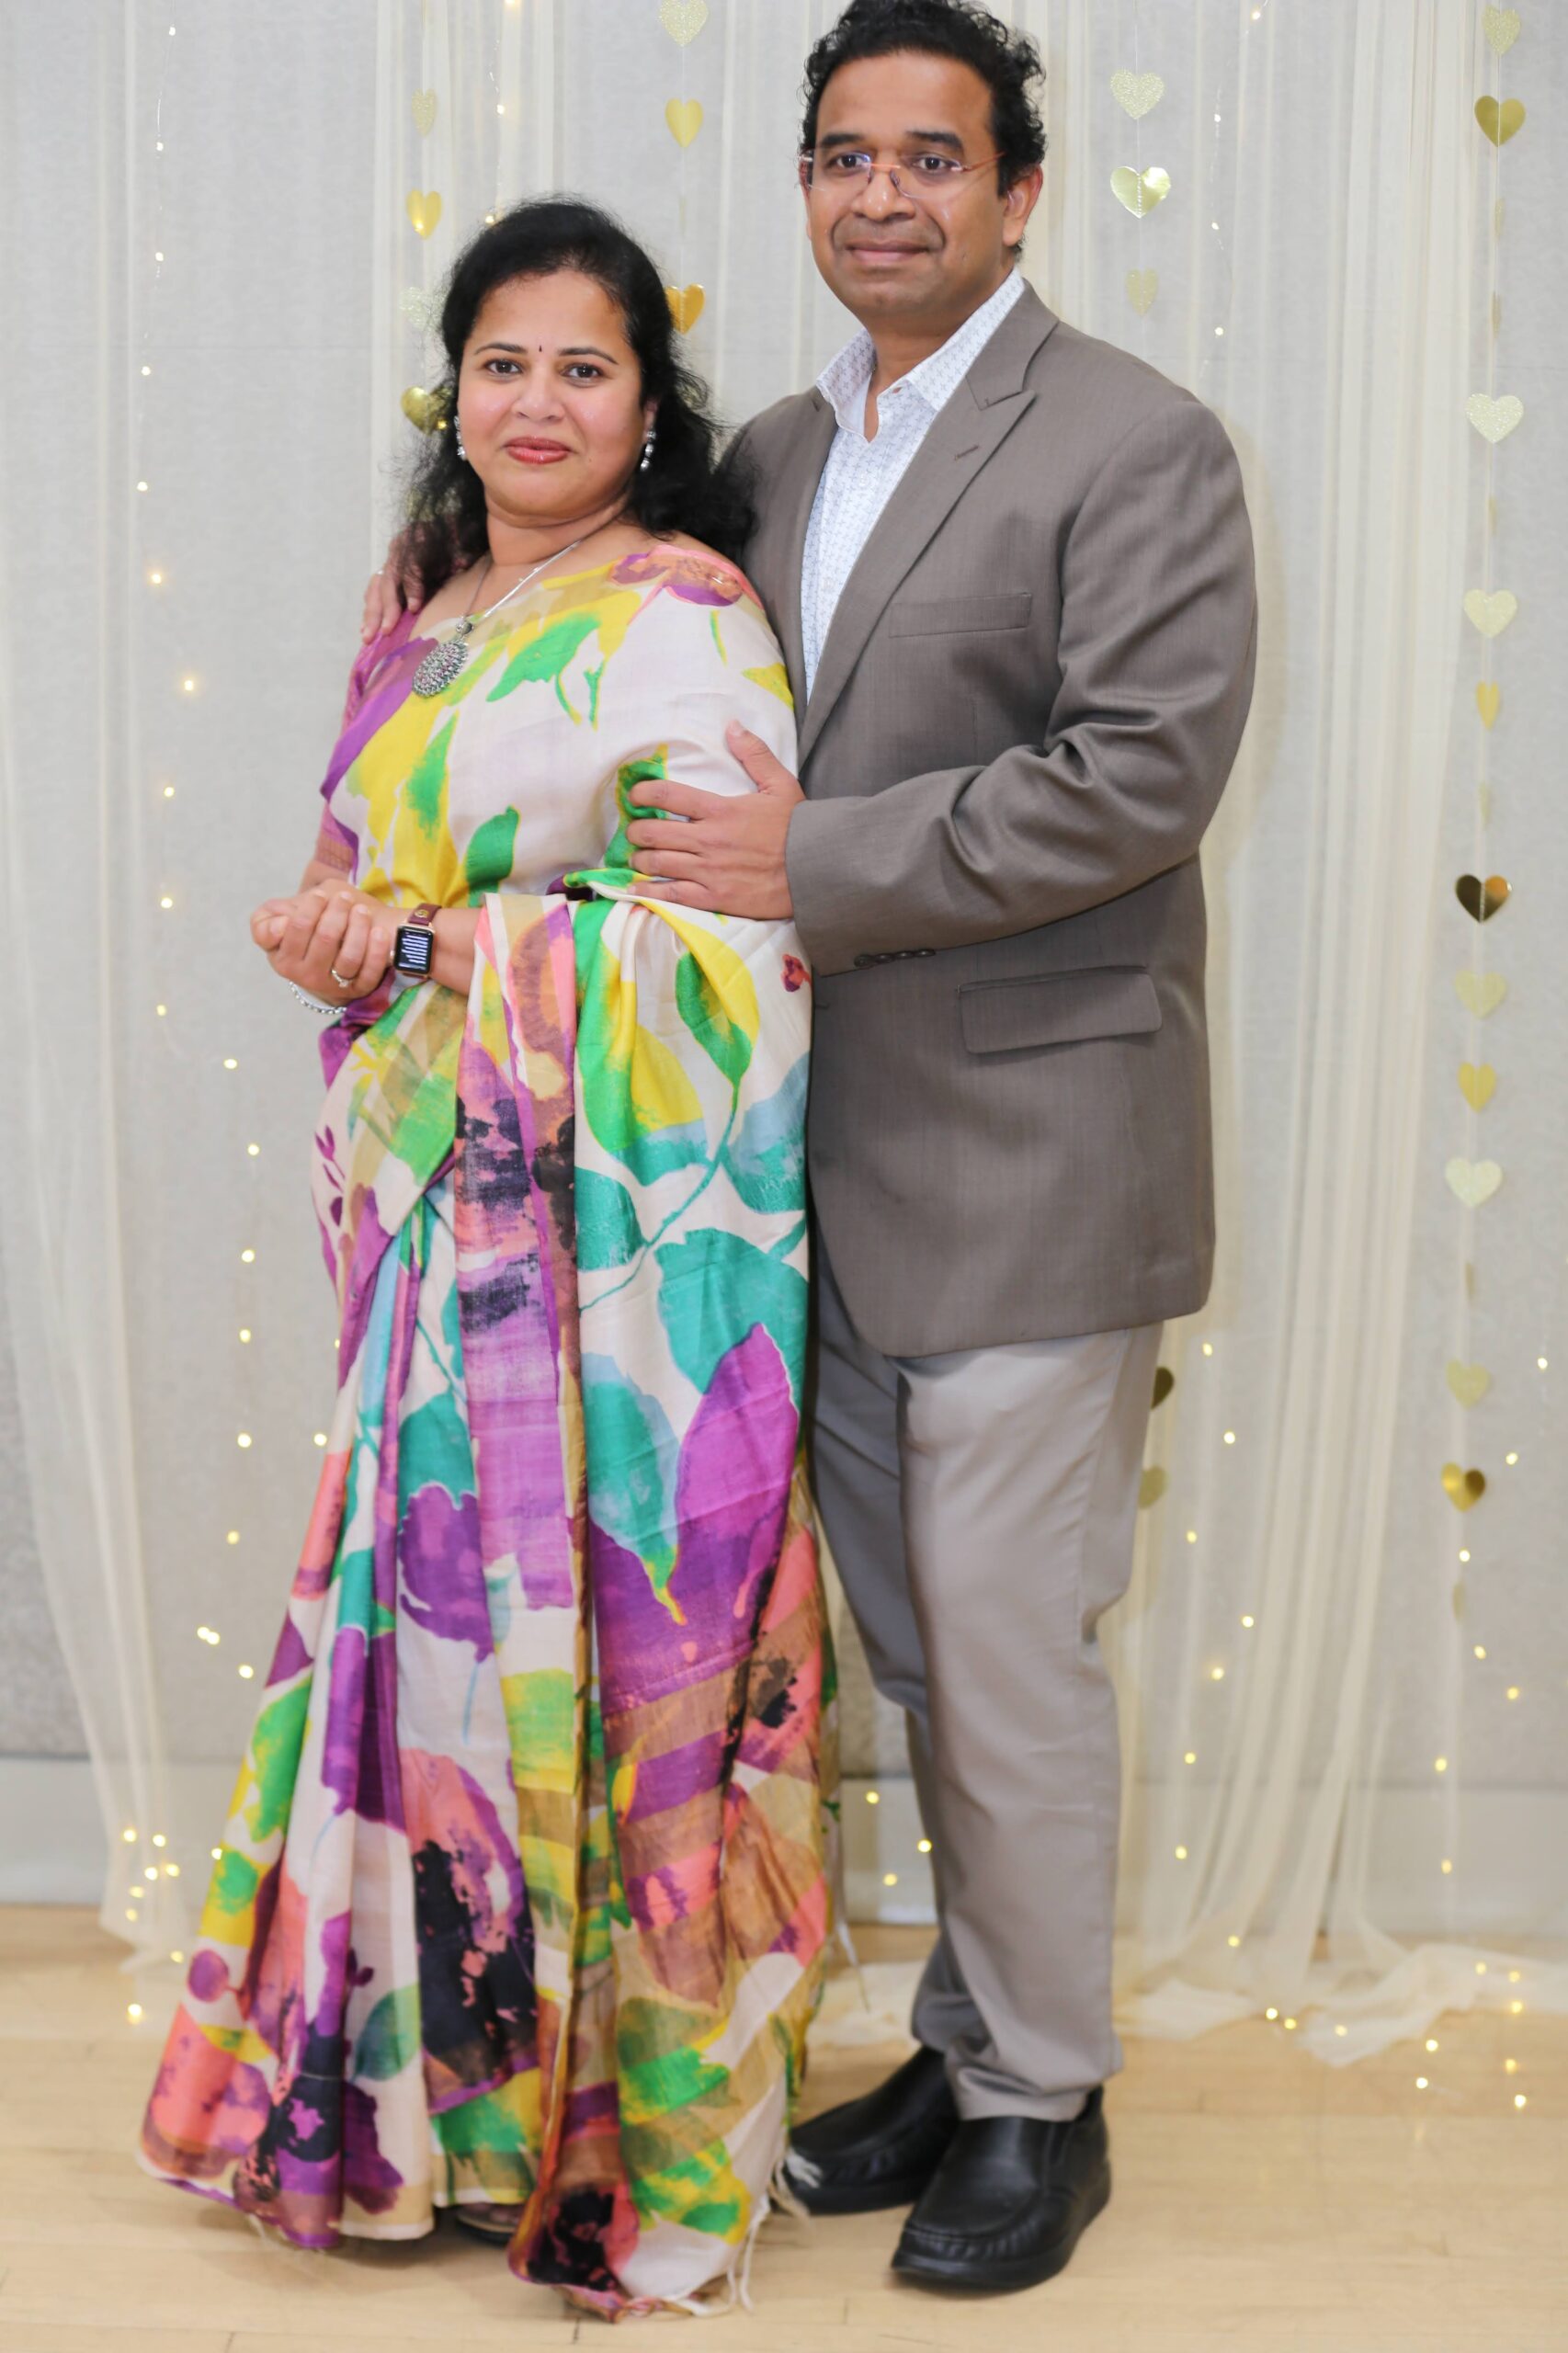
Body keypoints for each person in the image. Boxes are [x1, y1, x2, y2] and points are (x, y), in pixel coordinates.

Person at [366, 0, 1257, 2301]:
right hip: (775, 1177)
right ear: (803, 187)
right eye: (846, 155)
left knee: (1010, 1647)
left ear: (1017, 191)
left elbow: (1140, 774)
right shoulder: (762, 452)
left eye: (933, 158)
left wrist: (813, 860)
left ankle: (1044, 2101)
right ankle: (968, 2042)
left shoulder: (1137, 442)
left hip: (1033, 1156)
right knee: (919, 1662)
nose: (885, 195)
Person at [138, 198, 835, 2324]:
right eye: (502, 363)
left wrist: (438, 944)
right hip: (430, 1208)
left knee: (614, 1655)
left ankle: (614, 2140)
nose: (537, 401)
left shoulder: (684, 611)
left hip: (622, 1259)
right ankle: (433, 2114)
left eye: (583, 367)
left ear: (648, 408)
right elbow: (367, 877)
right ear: (453, 391)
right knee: (437, 1665)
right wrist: (337, 933)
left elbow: (734, 952)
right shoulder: (421, 604)